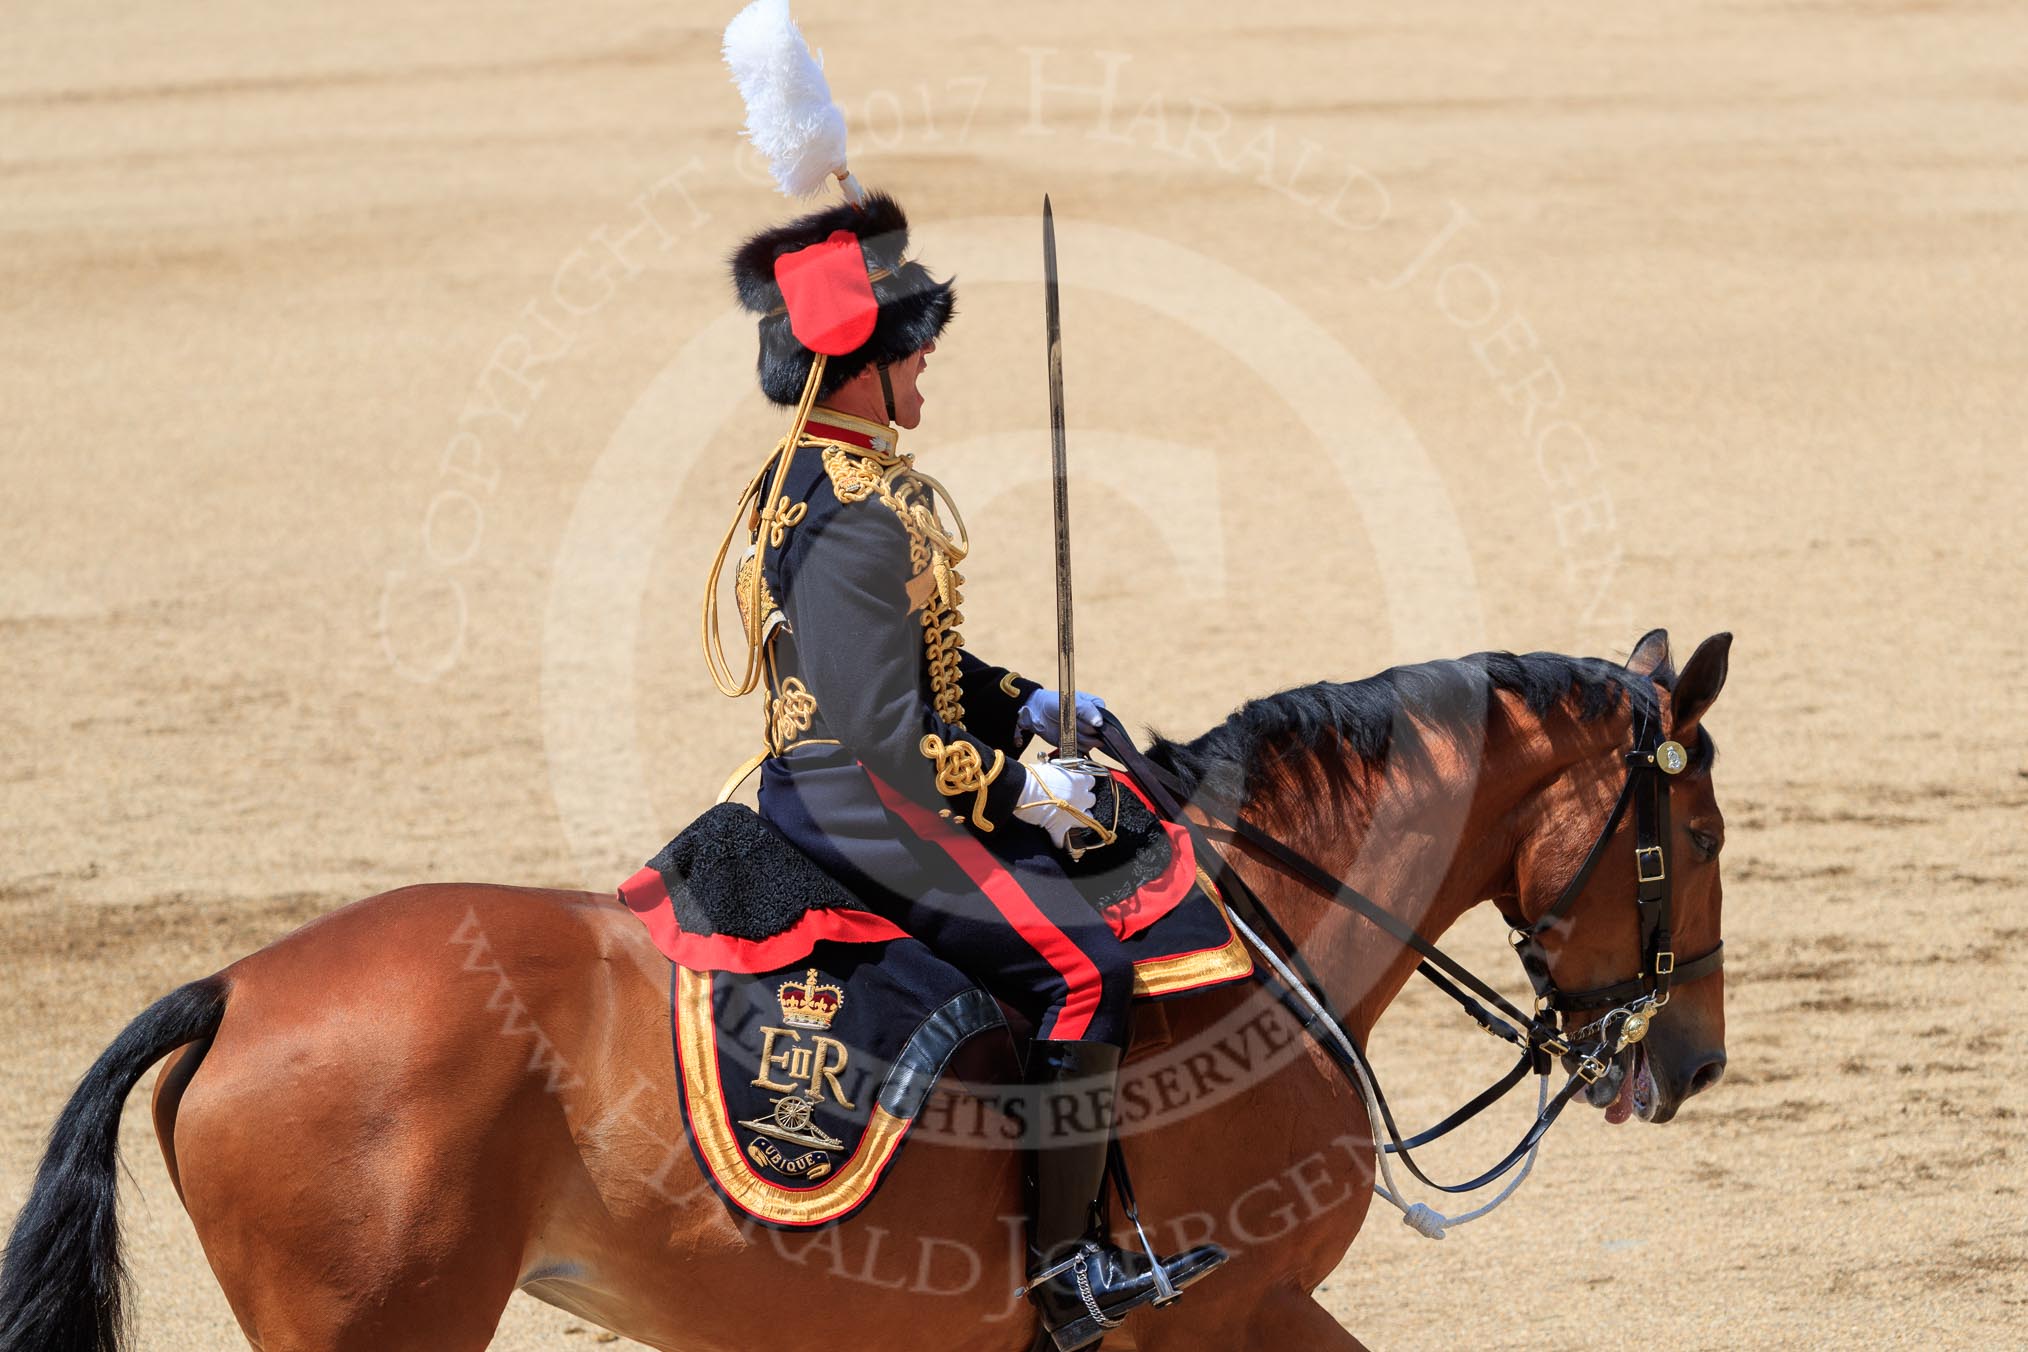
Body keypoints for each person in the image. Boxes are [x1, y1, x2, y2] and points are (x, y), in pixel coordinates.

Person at [702, 188, 1224, 1349]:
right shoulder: (854, 512)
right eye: (910, 337)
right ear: (861, 362)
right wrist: (1026, 785)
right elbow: (885, 724)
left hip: (864, 776)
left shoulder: (832, 476)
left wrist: (1023, 698)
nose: (929, 351)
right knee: (1084, 968)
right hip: (863, 801)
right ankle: (1066, 1274)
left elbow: (913, 658)